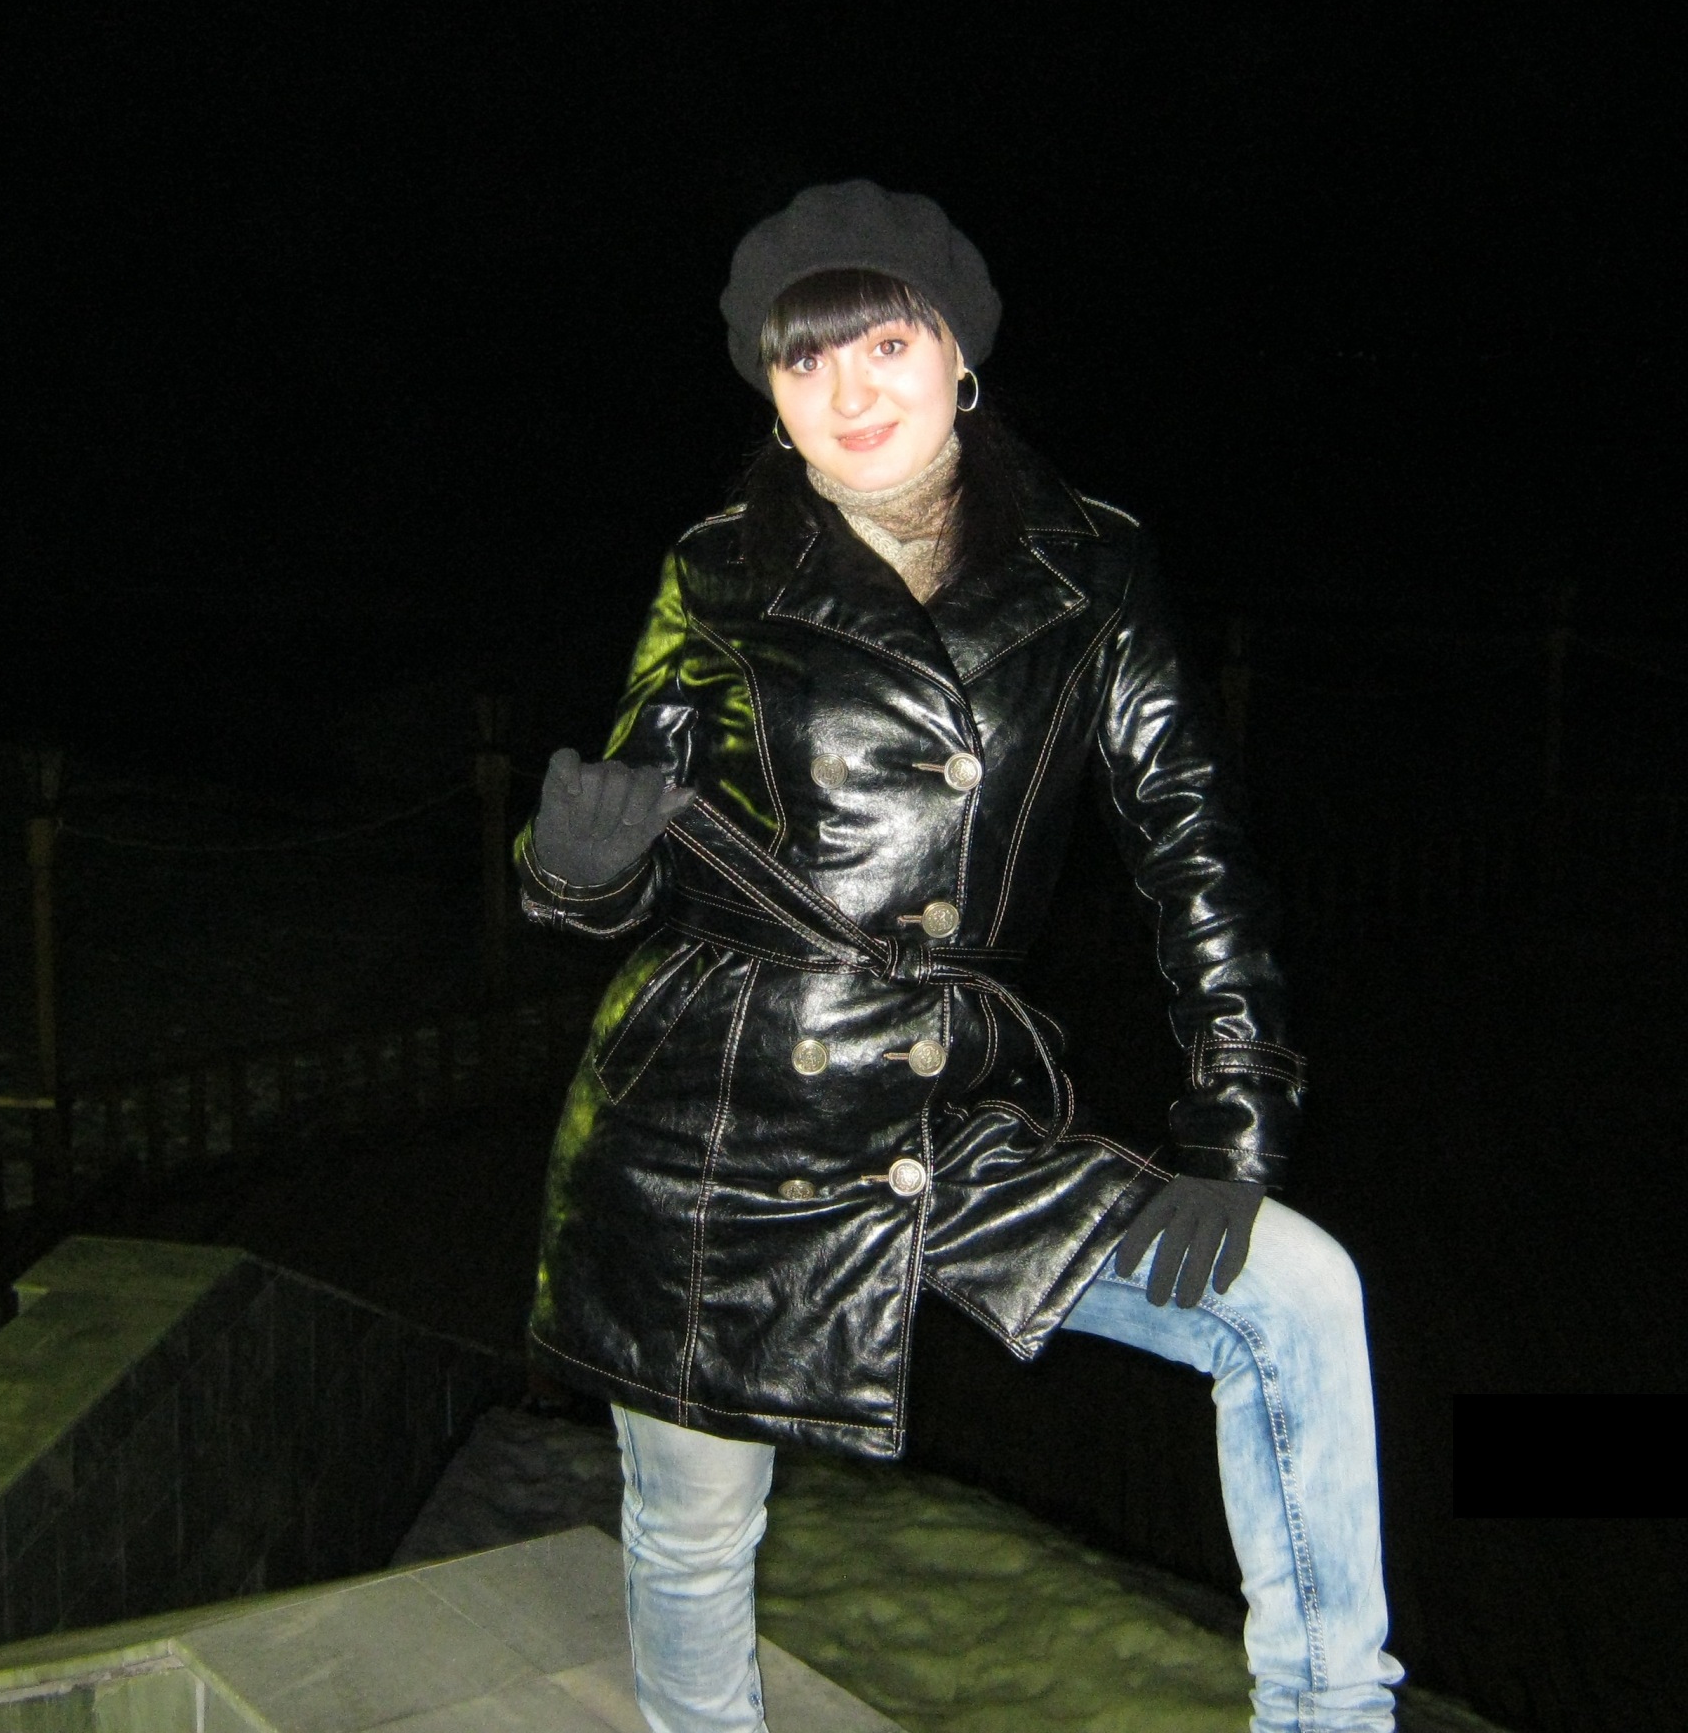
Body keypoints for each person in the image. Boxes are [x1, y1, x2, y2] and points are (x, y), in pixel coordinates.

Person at [518, 179, 1401, 1733]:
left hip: (944, 1105)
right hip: (717, 1119)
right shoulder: (718, 569)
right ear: (770, 393)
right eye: (804, 358)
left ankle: (1332, 1715)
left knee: (1296, 1298)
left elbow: (1190, 847)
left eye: (885, 341)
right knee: (696, 1527)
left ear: (959, 355)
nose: (848, 390)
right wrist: (574, 877)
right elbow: (634, 823)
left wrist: (1236, 1123)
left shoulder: (1090, 566)